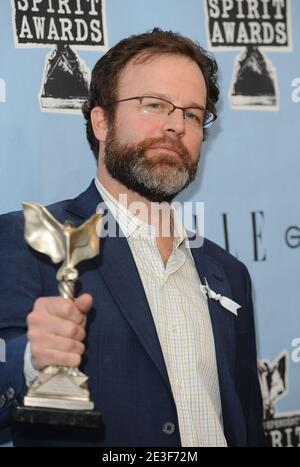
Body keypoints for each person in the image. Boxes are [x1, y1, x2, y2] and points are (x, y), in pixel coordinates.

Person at [0, 28, 266, 447]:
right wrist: (32, 360)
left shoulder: (229, 274)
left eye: (193, 114)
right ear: (101, 121)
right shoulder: (31, 240)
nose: (176, 125)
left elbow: (249, 425)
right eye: (154, 105)